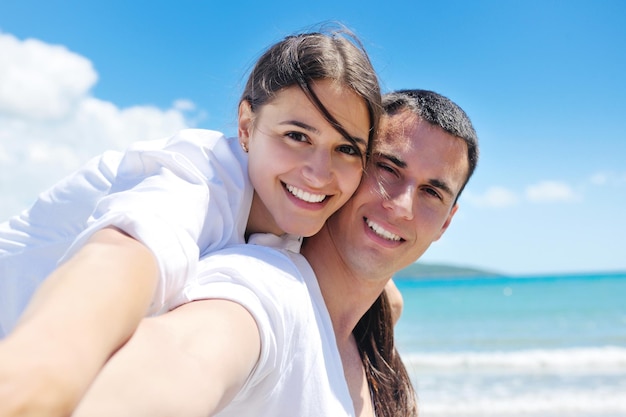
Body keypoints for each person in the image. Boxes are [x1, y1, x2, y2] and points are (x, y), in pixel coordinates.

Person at [0, 27, 382, 417]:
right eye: (297, 135)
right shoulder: (197, 177)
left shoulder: (287, 228)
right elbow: (122, 255)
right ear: (246, 126)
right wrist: (41, 376)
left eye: (347, 149)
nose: (319, 174)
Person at [71, 89, 479, 417]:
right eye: (388, 169)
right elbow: (181, 360)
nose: (402, 206)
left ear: (447, 221)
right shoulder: (266, 288)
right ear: (349, 168)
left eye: (431, 192)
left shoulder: (368, 331)